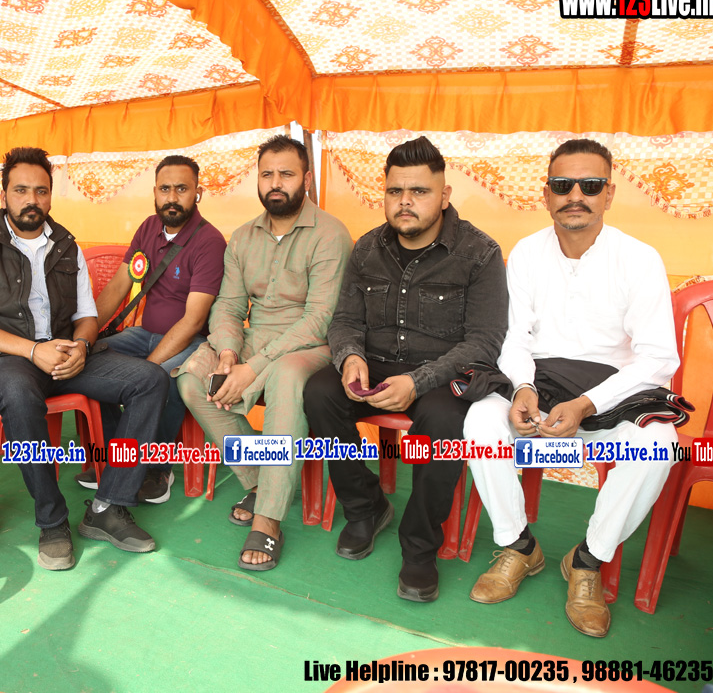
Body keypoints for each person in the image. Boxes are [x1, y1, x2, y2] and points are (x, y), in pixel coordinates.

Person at [464, 138, 679, 638]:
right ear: (546, 194)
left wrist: (586, 404)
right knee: (479, 421)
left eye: (590, 185)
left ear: (609, 194)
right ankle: (519, 546)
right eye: (563, 185)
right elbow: (514, 338)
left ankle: (587, 560)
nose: (575, 195)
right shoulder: (526, 253)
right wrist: (522, 387)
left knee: (658, 444)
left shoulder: (639, 258)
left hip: (612, 393)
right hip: (540, 384)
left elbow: (658, 358)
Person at [303, 136, 508, 602]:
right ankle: (365, 507)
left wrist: (418, 382)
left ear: (444, 195)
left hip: (442, 373)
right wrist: (350, 357)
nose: (405, 202)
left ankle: (419, 547)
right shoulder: (367, 248)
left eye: (419, 191)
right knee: (320, 391)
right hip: (376, 363)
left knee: (445, 419)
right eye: (395, 191)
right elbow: (345, 321)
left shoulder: (479, 253)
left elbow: (484, 342)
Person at [0, 146, 170, 571]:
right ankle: (52, 521)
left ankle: (108, 506)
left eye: (41, 191)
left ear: (51, 196)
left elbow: (87, 316)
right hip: (7, 356)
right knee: (20, 396)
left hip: (66, 353)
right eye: (21, 190)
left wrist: (82, 347)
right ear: (3, 194)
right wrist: (33, 350)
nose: (31, 200)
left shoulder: (67, 246)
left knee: (151, 380)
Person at [176, 134, 352, 571]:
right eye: (267, 174)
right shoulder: (242, 237)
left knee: (286, 379)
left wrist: (252, 368)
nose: (275, 183)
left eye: (286, 174)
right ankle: (261, 481)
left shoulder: (330, 234)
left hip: (309, 345)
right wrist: (228, 352)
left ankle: (269, 518)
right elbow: (229, 306)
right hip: (253, 339)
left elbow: (320, 318)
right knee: (193, 378)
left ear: (306, 179)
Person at [78, 154, 226, 503]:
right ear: (155, 192)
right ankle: (119, 458)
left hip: (192, 340)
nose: (172, 197)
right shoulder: (148, 228)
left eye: (182, 189)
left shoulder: (210, 241)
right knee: (91, 361)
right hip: (142, 334)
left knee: (161, 376)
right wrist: (83, 338)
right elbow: (118, 287)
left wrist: (149, 366)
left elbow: (193, 321)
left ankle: (158, 468)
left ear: (198, 193)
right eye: (165, 189)